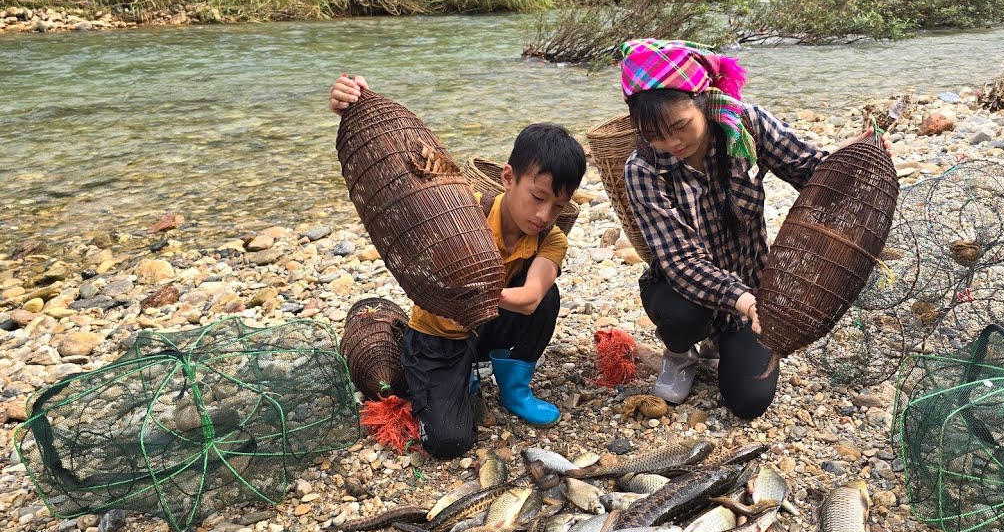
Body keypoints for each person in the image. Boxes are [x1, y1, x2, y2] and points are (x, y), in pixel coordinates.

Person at [618, 39, 890, 419]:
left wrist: (854, 158)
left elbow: (810, 170)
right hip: (684, 289)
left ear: (702, 99)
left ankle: (718, 346)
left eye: (680, 126)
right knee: (683, 317)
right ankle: (680, 354)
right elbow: (682, 261)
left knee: (749, 402)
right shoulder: (642, 168)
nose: (671, 143)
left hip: (753, 280)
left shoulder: (745, 125)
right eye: (655, 135)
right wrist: (746, 302)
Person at [330, 74, 586, 458]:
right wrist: (353, 104)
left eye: (558, 206)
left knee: (548, 296)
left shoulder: (551, 239)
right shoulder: (461, 211)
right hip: (441, 334)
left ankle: (514, 387)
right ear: (507, 177)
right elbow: (408, 171)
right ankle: (448, 368)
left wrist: (475, 288)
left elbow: (531, 299)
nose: (544, 214)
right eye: (538, 197)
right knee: (450, 443)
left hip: (490, 323)